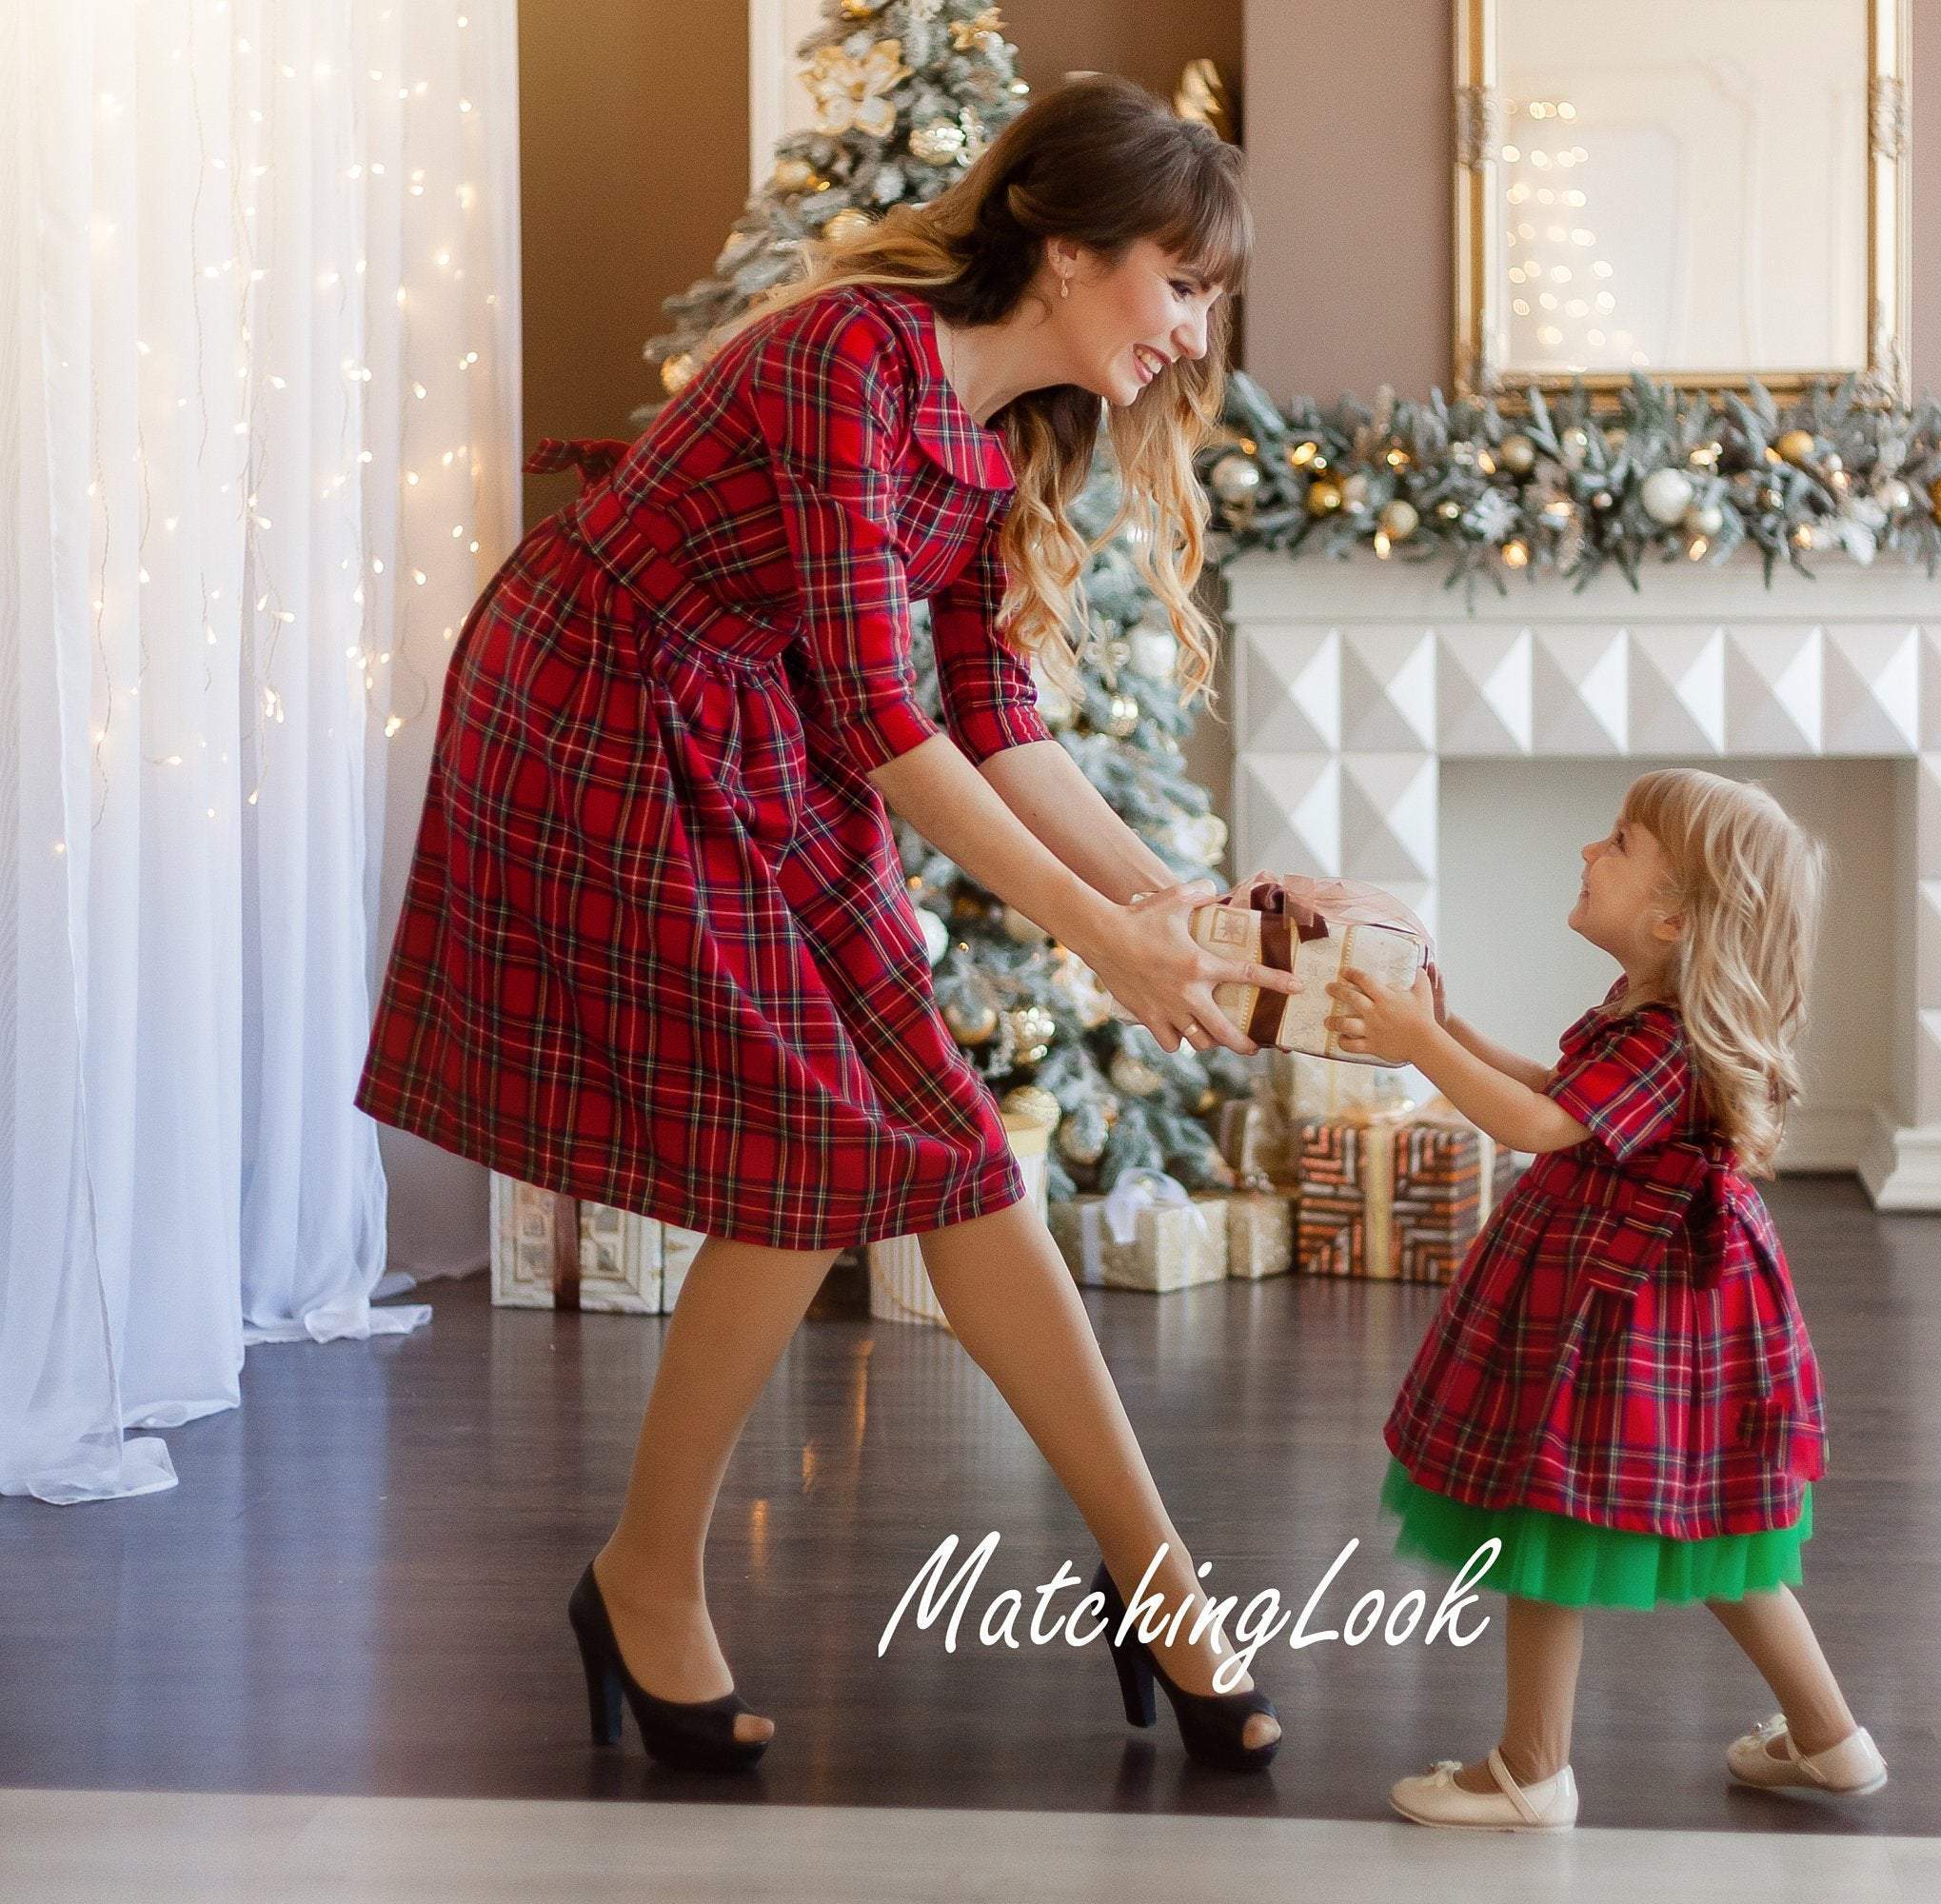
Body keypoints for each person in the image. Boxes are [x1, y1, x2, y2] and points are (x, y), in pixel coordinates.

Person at [356, 77, 1293, 1775]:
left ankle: (1158, 1582)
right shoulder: (847, 362)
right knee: (807, 1153)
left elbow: (995, 714)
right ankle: (646, 1582)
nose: (1195, 331)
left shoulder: (1017, 432)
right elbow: (882, 712)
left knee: (945, 1145)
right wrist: (1102, 935)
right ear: (1070, 253)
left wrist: (1168, 907)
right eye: (1182, 281)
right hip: (610, 704)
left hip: (765, 726)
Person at [1328, 768, 1884, 1830]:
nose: (1589, 851)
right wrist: (1451, 1028)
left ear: (1674, 914)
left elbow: (1535, 1130)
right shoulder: (1653, 1017)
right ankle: (1830, 1737)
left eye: (1618, 842)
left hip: (1618, 1299)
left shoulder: (1662, 1034)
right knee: (1718, 1531)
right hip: (1659, 1292)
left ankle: (1530, 1771)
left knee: (1548, 1509)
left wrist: (1419, 1045)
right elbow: (1554, 1094)